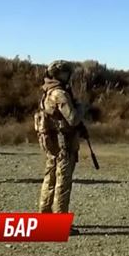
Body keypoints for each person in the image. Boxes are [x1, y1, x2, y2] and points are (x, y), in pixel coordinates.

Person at [35, 60, 88, 214]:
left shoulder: (48, 91)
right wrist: (80, 107)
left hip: (52, 142)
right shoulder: (60, 94)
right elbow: (73, 119)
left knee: (50, 179)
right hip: (63, 143)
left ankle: (44, 214)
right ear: (60, 74)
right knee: (62, 183)